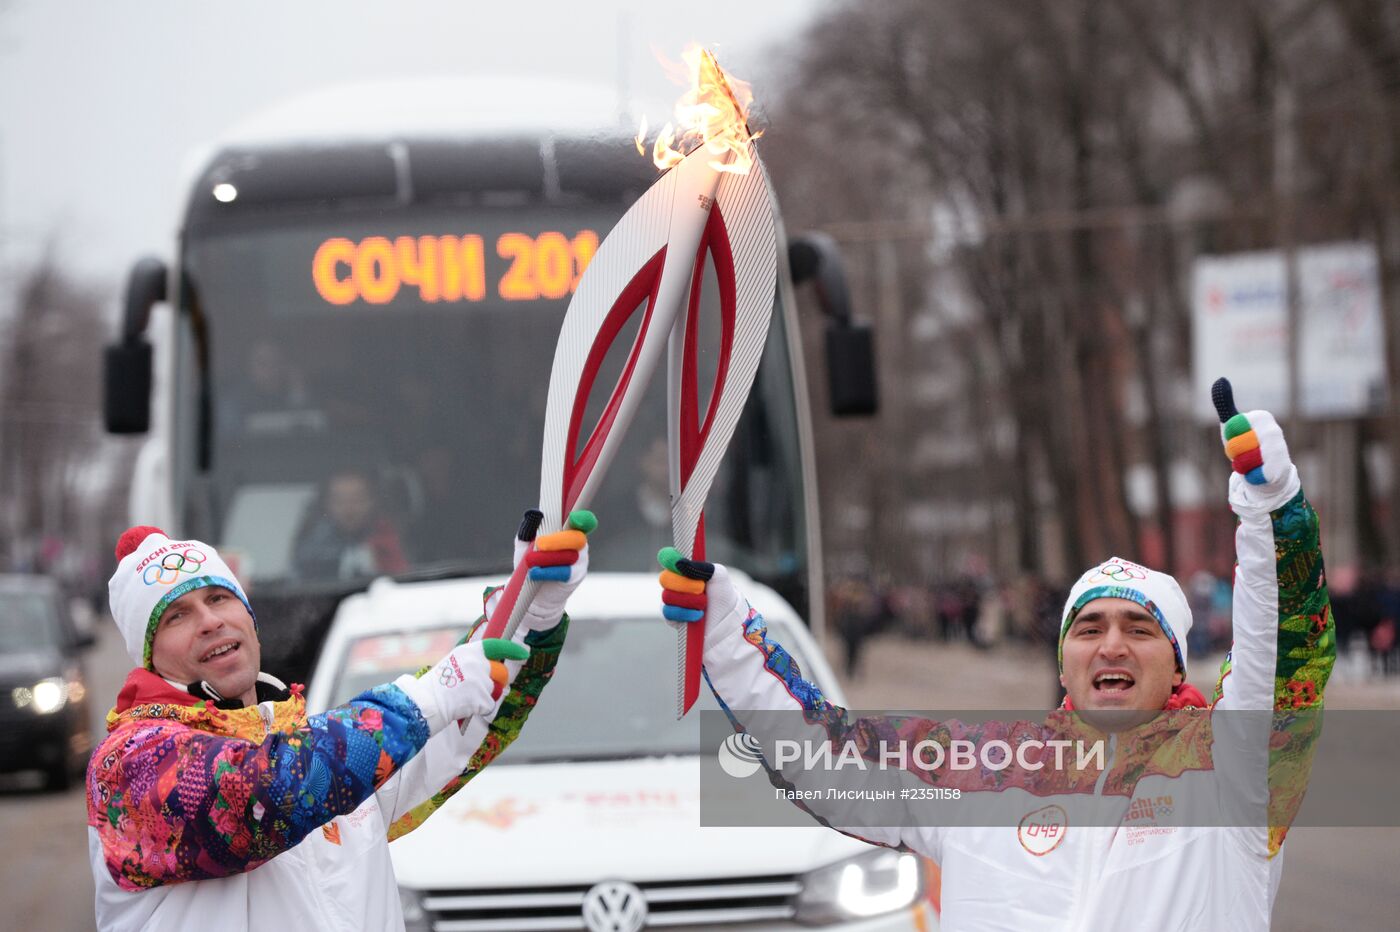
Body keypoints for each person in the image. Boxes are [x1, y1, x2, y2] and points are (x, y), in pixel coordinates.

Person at [658, 381, 1333, 930]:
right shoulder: (986, 771)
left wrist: (1274, 511)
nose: (1112, 645)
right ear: (1064, 660)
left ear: (1178, 664)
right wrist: (725, 631)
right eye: (1089, 628)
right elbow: (825, 754)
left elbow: (1284, 662)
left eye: (1139, 628)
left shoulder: (1232, 776)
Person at [86, 511, 594, 930]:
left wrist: (531, 615)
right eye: (177, 616)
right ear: (151, 658)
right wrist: (428, 695)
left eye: (218, 598)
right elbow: (262, 796)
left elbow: (458, 736)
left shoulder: (319, 753)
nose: (210, 620)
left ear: (247, 615)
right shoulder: (129, 769)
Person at [294, 468, 409, 579]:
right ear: (326, 504)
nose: (349, 508)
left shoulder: (391, 536)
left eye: (357, 499)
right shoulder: (311, 546)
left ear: (372, 502)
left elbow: (404, 577)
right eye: (340, 501)